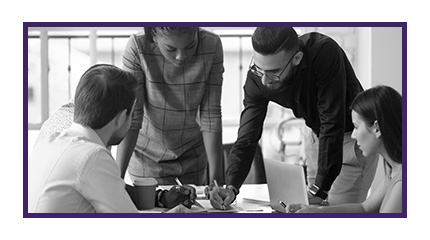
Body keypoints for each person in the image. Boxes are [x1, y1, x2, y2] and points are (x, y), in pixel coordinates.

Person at [209, 27, 379, 210]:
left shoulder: (324, 52)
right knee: (309, 212)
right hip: (316, 136)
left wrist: (319, 190)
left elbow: (332, 121)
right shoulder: (257, 78)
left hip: (352, 139)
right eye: (259, 68)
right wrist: (232, 187)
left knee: (337, 217)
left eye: (274, 71)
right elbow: (247, 138)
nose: (265, 80)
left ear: (296, 59)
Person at [28, 64, 195, 213]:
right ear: (121, 117)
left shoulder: (50, 142)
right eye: (133, 114)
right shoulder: (92, 155)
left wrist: (160, 198)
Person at [117, 27, 224, 186]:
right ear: (154, 35)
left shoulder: (212, 45)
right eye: (171, 49)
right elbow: (133, 117)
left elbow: (210, 115)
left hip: (193, 153)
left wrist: (217, 182)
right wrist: (117, 179)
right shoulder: (137, 47)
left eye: (190, 46)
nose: (181, 56)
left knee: (194, 209)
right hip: (148, 156)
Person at [293, 85, 402, 213]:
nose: (353, 135)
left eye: (356, 127)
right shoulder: (392, 168)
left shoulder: (402, 181)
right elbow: (364, 208)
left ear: (377, 128)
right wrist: (316, 211)